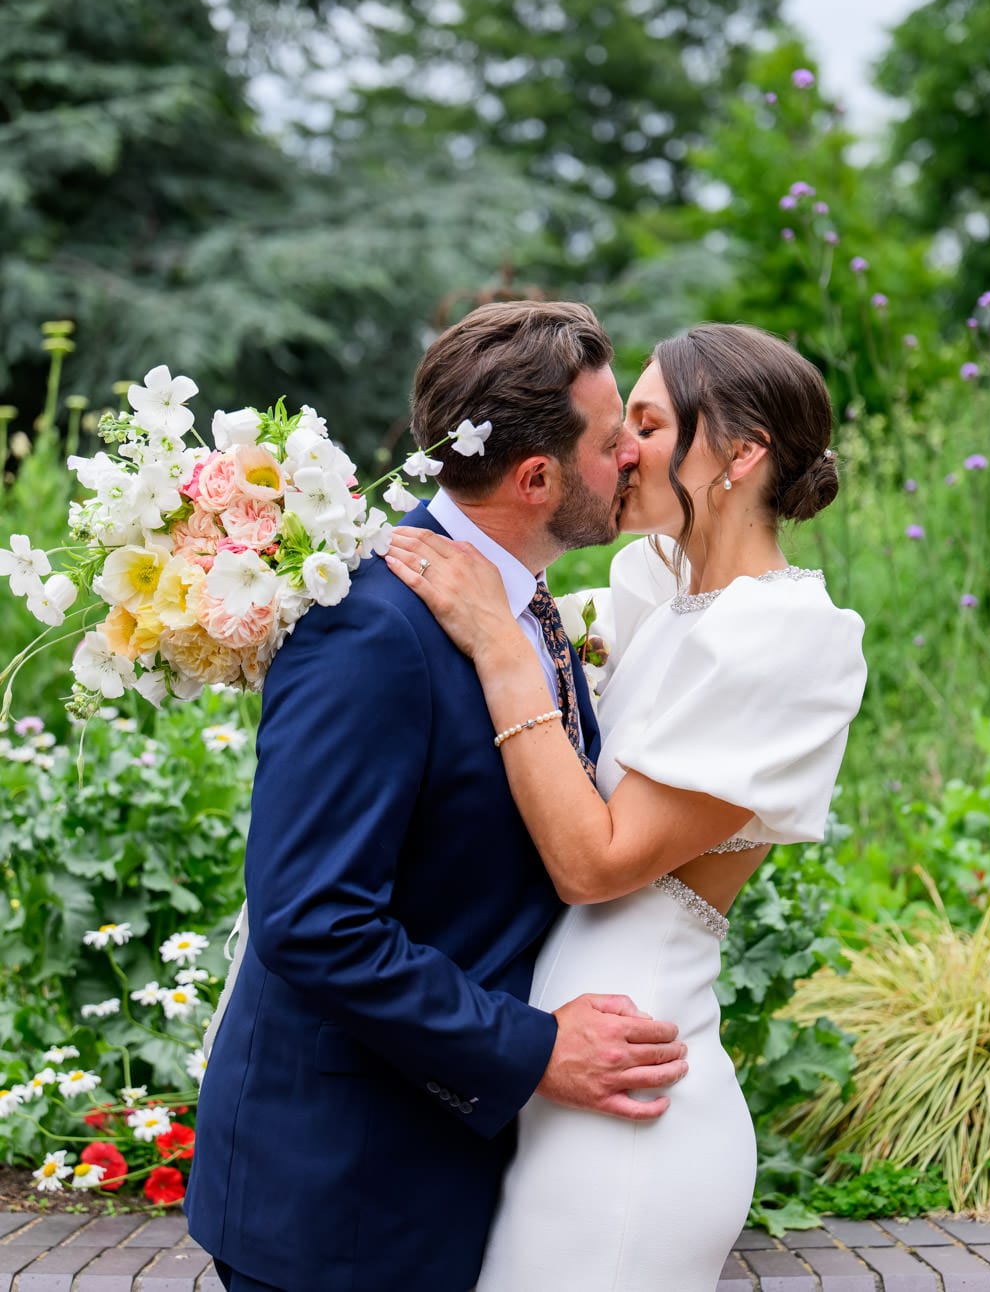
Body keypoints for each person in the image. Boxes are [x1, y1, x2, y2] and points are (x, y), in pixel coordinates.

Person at [184, 301, 688, 1292]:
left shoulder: (518, 609)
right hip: (346, 1195)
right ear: (536, 479)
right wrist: (533, 1048)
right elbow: (313, 921)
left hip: (439, 1167)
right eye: (609, 438)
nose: (634, 451)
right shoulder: (373, 630)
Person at [386, 322, 868, 1292]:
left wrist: (499, 646)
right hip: (561, 1071)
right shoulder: (652, 586)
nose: (617, 451)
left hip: (635, 1097)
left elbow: (595, 862)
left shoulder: (785, 635)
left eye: (645, 424)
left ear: (739, 452)